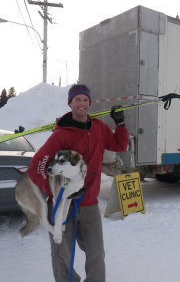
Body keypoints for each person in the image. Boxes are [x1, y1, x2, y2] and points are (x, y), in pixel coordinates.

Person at [27, 84, 129, 282]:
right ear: (70, 103)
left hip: (89, 204)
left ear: (89, 102)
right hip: (62, 204)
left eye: (85, 99)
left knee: (96, 254)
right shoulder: (62, 134)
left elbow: (119, 145)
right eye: (77, 100)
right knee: (61, 256)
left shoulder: (99, 128)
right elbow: (36, 167)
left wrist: (121, 125)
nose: (81, 103)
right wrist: (54, 191)